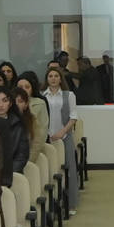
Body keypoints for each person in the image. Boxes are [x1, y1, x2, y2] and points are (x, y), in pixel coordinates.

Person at [44, 65, 80, 212]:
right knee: (49, 171)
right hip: (47, 139)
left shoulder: (69, 95)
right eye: (50, 76)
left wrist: (62, 132)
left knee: (69, 169)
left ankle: (71, 203)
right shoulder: (42, 95)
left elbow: (73, 117)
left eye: (56, 76)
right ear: (46, 79)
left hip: (64, 136)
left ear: (60, 79)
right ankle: (51, 206)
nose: (53, 79)